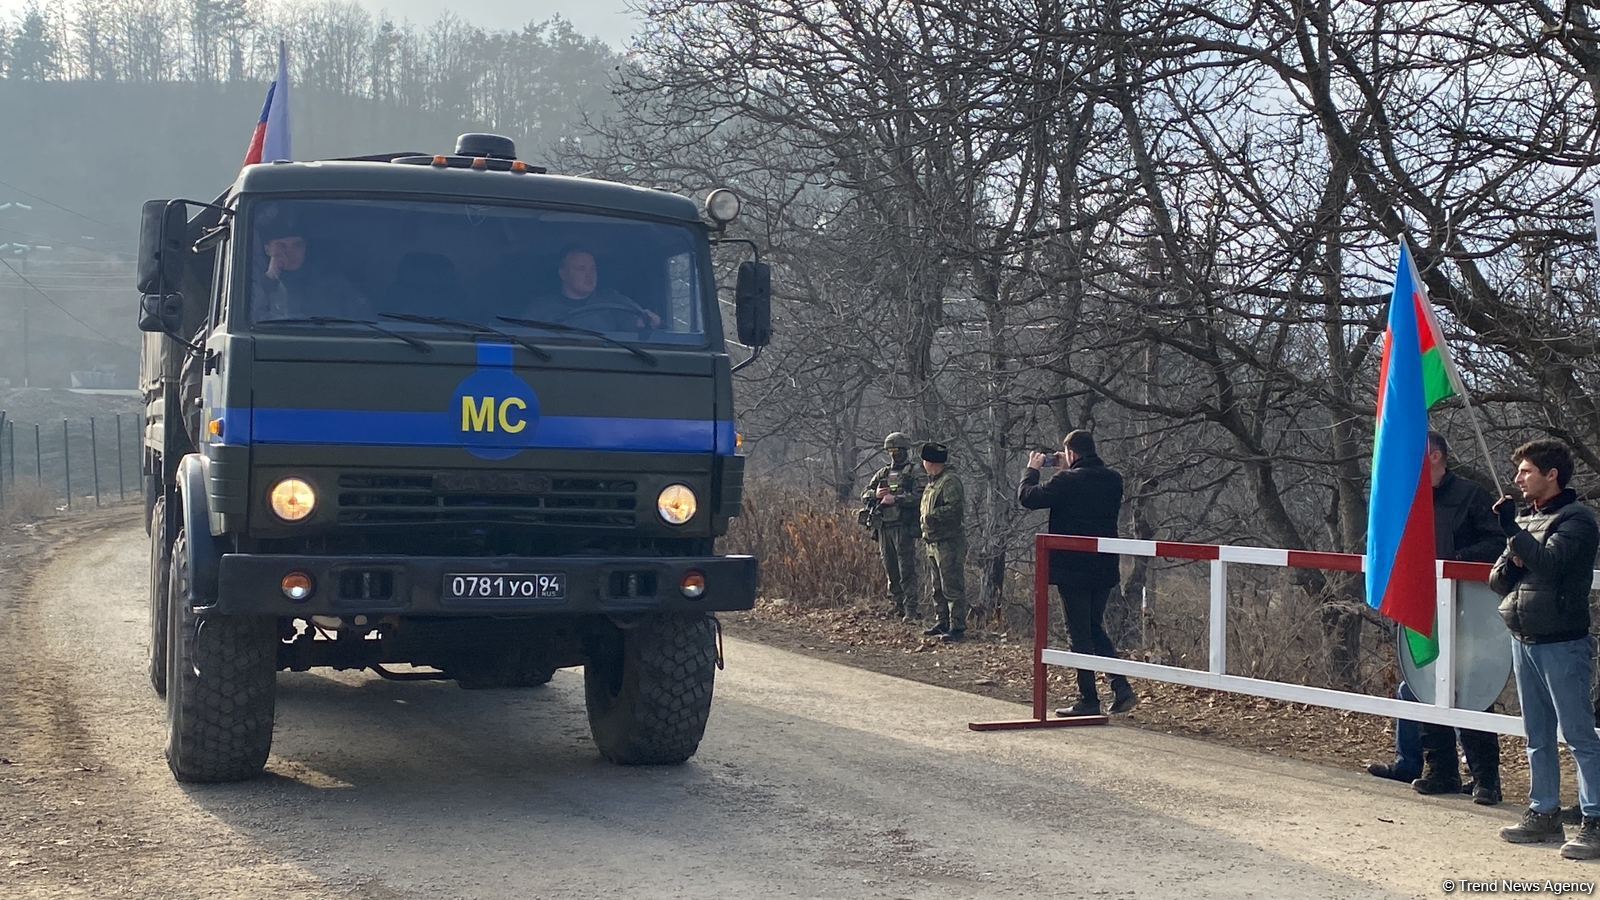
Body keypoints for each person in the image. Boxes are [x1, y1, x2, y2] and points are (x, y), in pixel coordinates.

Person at [1367, 431, 1505, 804]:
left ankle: (1485, 779)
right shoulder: (1406, 500)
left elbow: (1497, 543)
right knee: (1424, 681)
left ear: (1437, 456)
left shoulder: (1472, 495)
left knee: (1472, 687)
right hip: (1421, 604)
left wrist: (1449, 560)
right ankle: (1439, 769)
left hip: (1467, 607)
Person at [1489, 439, 1600, 859]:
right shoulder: (1526, 521)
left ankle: (1595, 819)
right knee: (1536, 734)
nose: (1518, 478)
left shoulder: (1578, 520)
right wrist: (1516, 552)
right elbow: (1498, 580)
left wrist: (1514, 538)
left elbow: (1551, 565)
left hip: (1563, 643)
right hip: (1524, 638)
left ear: (1551, 475)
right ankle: (1544, 811)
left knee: (1578, 735)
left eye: (1526, 471)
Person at [1018, 429, 1137, 717]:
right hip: (1103, 566)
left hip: (1073, 568)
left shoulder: (1066, 480)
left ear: (1071, 453)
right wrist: (1066, 469)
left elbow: (1028, 497)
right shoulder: (1113, 479)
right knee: (1095, 628)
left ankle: (1088, 699)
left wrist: (1032, 471)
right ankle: (1120, 687)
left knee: (1079, 633)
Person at [250, 208, 369, 321]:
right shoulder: (251, 285)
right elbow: (251, 320)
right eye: (281, 245)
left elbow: (363, 319)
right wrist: (271, 278)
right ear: (267, 249)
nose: (289, 253)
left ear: (305, 248)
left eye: (297, 245)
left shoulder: (332, 284)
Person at [859, 432, 924, 622]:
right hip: (884, 526)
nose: (894, 455)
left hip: (903, 526)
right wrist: (876, 494)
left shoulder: (915, 472)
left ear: (905, 451)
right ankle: (898, 605)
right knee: (891, 569)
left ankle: (911, 609)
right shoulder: (884, 473)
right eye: (891, 452)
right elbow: (865, 493)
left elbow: (920, 496)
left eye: (897, 451)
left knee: (906, 569)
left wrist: (896, 499)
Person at [526, 247, 660, 330]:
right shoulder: (541, 309)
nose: (589, 275)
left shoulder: (615, 302)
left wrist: (648, 320)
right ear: (563, 274)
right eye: (581, 269)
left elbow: (639, 322)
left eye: (593, 269)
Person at [918, 441, 967, 643]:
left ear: (931, 462)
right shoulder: (934, 482)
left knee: (951, 585)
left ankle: (957, 627)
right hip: (933, 540)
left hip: (949, 542)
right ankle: (942, 621)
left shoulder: (949, 482)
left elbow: (955, 510)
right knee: (937, 585)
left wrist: (932, 516)